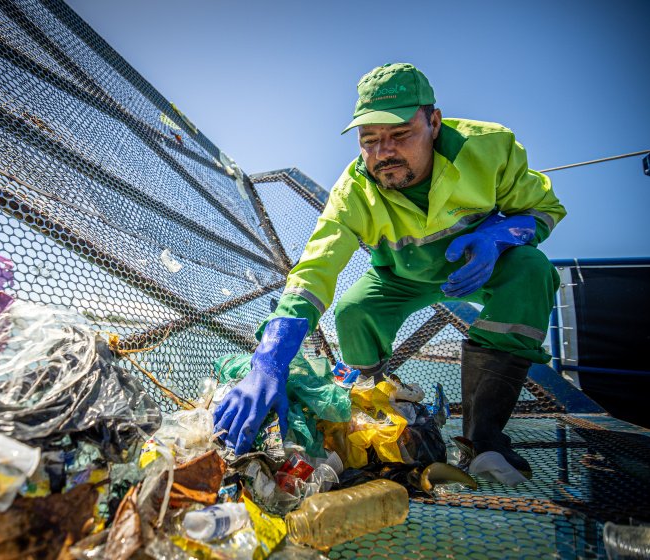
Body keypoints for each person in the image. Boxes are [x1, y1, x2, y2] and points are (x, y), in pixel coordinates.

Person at [213, 62, 566, 480]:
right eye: (369, 139)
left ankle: (485, 442)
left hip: (479, 269)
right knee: (353, 310)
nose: (383, 153)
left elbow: (545, 209)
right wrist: (268, 363)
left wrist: (499, 237)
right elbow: (312, 274)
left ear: (434, 122)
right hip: (400, 279)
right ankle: (378, 413)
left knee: (532, 270)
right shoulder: (353, 193)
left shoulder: (490, 147)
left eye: (400, 135)